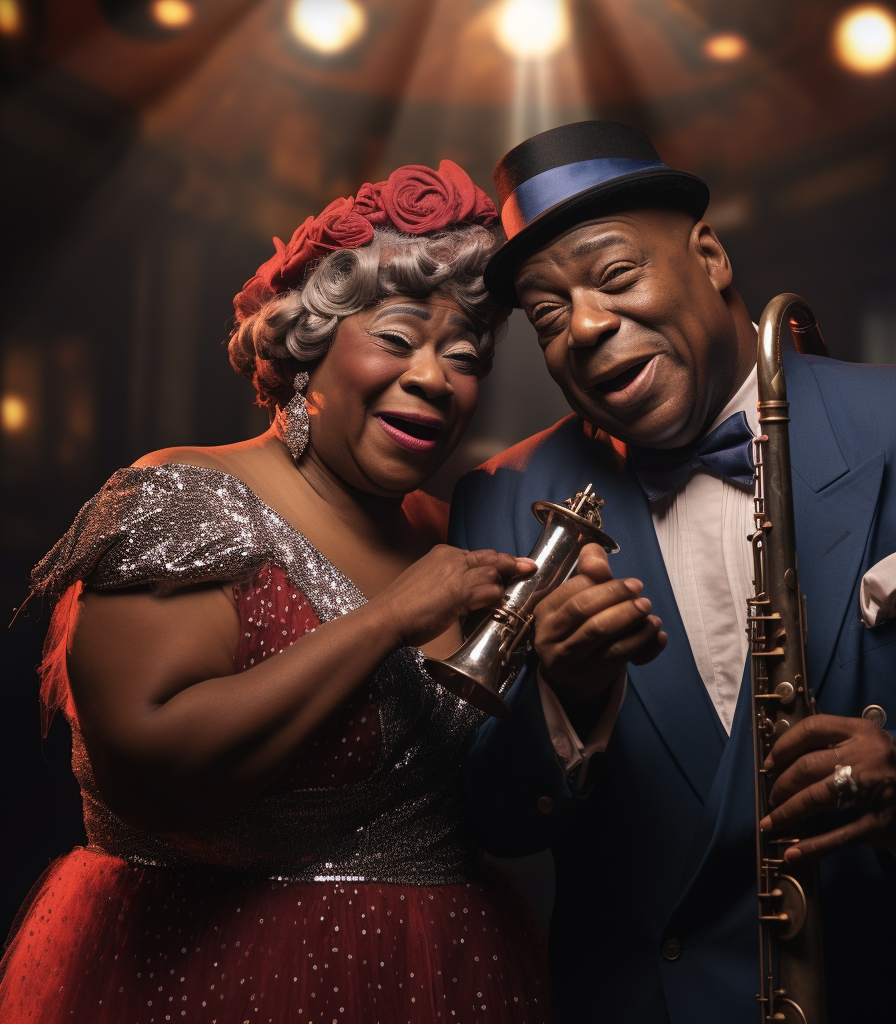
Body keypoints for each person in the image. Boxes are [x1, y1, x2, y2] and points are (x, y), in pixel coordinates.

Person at [450, 121, 896, 1024]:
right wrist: (563, 697)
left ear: (710, 256)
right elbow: (485, 818)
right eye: (548, 316)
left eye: (614, 276)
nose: (588, 328)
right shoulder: (501, 499)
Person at [0, 161, 553, 1023]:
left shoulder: (459, 535)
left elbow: (509, 802)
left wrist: (585, 673)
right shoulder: (190, 497)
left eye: (465, 355)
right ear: (309, 353)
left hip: (443, 979)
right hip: (202, 981)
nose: (437, 378)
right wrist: (390, 621)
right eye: (400, 338)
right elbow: (145, 769)